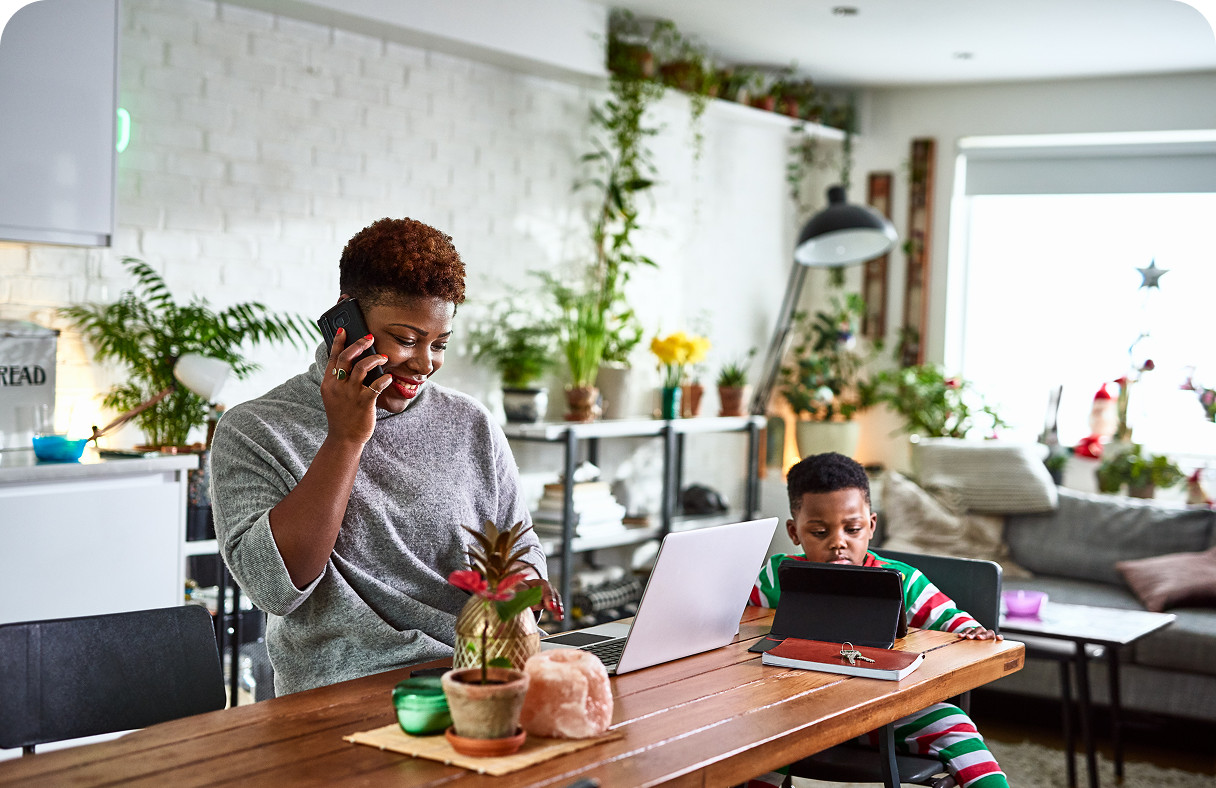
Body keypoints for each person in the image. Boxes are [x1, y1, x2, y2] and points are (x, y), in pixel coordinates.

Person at [209, 217, 557, 696]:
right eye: (407, 339)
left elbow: (521, 543)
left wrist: (520, 597)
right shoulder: (256, 429)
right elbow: (275, 589)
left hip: (483, 675)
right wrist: (346, 438)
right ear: (345, 320)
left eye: (439, 344)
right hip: (345, 695)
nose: (425, 364)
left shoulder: (469, 422)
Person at [745, 452, 1009, 788]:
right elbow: (734, 623)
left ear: (870, 526)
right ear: (795, 533)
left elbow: (954, 625)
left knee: (954, 724)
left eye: (852, 529)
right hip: (794, 716)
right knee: (750, 741)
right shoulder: (777, 575)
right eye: (820, 532)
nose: (838, 542)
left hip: (882, 719)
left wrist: (970, 630)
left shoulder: (901, 581)